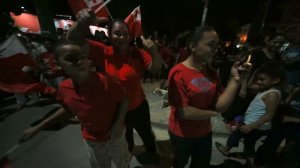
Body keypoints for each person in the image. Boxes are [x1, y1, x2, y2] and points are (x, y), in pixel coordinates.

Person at [67, 9, 162, 164]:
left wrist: (153, 51)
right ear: (110, 36)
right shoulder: (103, 52)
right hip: (117, 111)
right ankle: (128, 158)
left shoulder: (136, 53)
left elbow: (156, 69)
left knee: (146, 134)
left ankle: (153, 156)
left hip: (139, 107)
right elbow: (73, 39)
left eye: (125, 33)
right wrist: (82, 22)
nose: (122, 37)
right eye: (117, 33)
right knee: (127, 138)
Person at [20, 40, 131, 168]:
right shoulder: (64, 88)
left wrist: (117, 125)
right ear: (58, 64)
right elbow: (68, 109)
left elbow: (124, 99)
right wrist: (39, 127)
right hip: (92, 139)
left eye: (82, 57)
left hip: (115, 136)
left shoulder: (105, 81)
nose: (79, 61)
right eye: (71, 58)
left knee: (123, 163)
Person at [167, 25, 251, 168]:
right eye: (210, 45)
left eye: (216, 45)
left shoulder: (212, 72)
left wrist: (236, 80)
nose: (216, 49)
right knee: (179, 164)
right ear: (193, 46)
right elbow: (185, 112)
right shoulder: (178, 73)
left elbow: (220, 105)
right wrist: (213, 113)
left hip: (204, 132)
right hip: (182, 135)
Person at [215, 63, 285, 159]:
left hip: (254, 125)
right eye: (258, 79)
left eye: (262, 79)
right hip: (253, 123)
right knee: (249, 143)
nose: (259, 82)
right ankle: (250, 159)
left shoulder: (272, 94)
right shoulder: (265, 88)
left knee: (235, 135)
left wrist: (251, 126)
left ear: (275, 80)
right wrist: (254, 72)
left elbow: (269, 115)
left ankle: (226, 149)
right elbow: (249, 85)